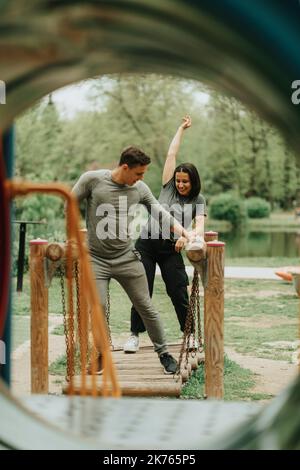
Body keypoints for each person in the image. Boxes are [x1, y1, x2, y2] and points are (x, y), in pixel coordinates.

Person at [72, 146, 191, 374]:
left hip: (127, 258)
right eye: (138, 173)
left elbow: (160, 213)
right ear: (125, 167)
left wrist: (184, 233)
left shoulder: (139, 188)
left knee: (146, 306)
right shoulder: (92, 180)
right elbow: (69, 202)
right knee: (98, 308)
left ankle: (164, 354)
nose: (141, 178)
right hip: (96, 259)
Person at [123, 116, 206, 354]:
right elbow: (172, 155)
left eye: (185, 182)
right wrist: (180, 129)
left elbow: (199, 225)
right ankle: (134, 336)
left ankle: (188, 335)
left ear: (193, 182)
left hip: (173, 248)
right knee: (142, 289)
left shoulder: (198, 200)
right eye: (178, 181)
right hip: (147, 244)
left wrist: (188, 236)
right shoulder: (167, 186)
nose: (180, 185)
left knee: (178, 289)